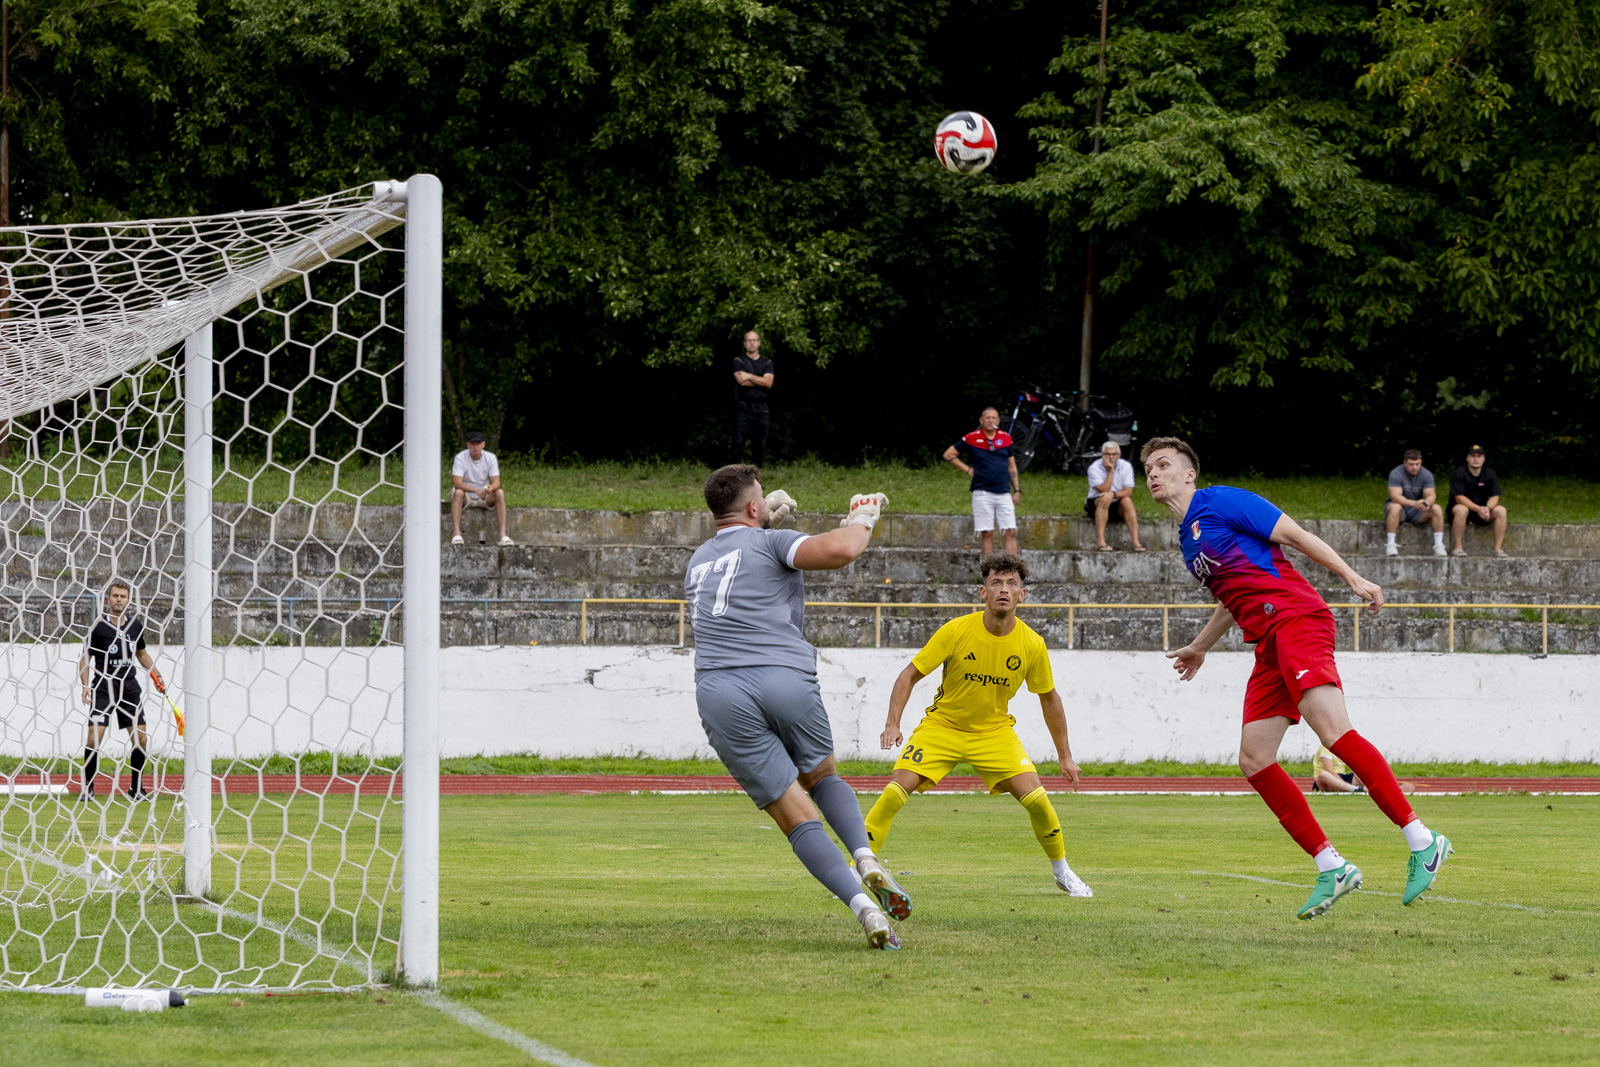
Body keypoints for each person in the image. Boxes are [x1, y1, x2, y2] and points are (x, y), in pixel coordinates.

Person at [1141, 436, 1451, 919]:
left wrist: (1352, 577)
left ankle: (1423, 839)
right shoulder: (1188, 539)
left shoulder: (1222, 501)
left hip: (1296, 619)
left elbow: (1297, 537)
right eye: (1148, 470)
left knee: (1334, 733)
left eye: (1163, 465)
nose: (1153, 474)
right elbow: (1233, 597)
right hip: (1267, 642)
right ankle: (1332, 866)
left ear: (1189, 474)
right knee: (1254, 758)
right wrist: (1200, 647)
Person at [684, 465, 911, 950]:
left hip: (718, 691)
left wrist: (763, 522)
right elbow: (842, 549)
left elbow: (747, 571)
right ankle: (865, 856)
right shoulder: (771, 541)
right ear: (753, 507)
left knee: (793, 815)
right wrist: (863, 517)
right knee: (823, 778)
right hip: (781, 675)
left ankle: (865, 909)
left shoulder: (698, 559)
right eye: (761, 497)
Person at [865, 553, 1093, 896]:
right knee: (896, 791)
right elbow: (909, 674)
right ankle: (857, 868)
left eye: (1012, 583)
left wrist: (1065, 757)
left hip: (994, 733)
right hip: (942, 727)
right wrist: (892, 724)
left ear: (1022, 595)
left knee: (1037, 800)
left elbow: (1049, 699)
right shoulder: (956, 630)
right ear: (983, 592)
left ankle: (1063, 872)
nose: (1004, 589)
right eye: (996, 582)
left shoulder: (1032, 644)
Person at [78, 580, 163, 801]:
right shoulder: (98, 627)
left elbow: (141, 654)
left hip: (129, 689)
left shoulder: (136, 626)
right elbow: (85, 658)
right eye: (115, 596)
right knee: (93, 738)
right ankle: (88, 788)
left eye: (123, 596)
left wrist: (157, 676)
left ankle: (136, 788)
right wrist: (85, 685)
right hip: (103, 688)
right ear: (108, 599)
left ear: (128, 600)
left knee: (141, 739)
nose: (119, 600)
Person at [943, 407, 1021, 556]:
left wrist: (1017, 490)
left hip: (1004, 491)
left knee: (1010, 531)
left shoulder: (1006, 438)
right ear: (981, 420)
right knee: (987, 533)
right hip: (982, 492)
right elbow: (949, 454)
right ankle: (989, 568)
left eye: (994, 418)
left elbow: (1012, 466)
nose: (991, 421)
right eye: (988, 418)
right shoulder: (972, 438)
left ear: (998, 421)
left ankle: (1012, 568)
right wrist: (967, 469)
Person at [450, 431, 512, 546]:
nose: (475, 447)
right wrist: (475, 490)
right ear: (468, 445)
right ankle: (457, 534)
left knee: (499, 493)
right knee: (458, 493)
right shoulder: (460, 458)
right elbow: (457, 483)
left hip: (484, 495)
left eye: (478, 443)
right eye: (473, 444)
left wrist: (490, 488)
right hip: (467, 496)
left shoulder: (491, 458)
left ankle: (503, 535)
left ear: (483, 444)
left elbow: (496, 481)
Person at [1384, 449, 1446, 557]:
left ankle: (1439, 545)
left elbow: (1431, 495)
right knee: (1395, 507)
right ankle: (1390, 544)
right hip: (1401, 510)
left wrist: (1426, 503)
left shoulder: (1426, 474)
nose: (1414, 467)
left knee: (1437, 508)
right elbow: (1395, 497)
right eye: (1411, 464)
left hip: (1417, 511)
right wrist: (1414, 503)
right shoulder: (1396, 473)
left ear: (1421, 462)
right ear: (1405, 463)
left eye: (1417, 464)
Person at [1449, 445, 1508, 558]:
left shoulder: (1489, 473)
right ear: (1467, 458)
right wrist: (1478, 508)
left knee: (1501, 510)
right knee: (1461, 509)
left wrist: (1488, 508)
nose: (1476, 459)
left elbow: (1495, 496)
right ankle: (1458, 547)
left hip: (1482, 511)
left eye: (1479, 456)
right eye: (1473, 456)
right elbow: (1459, 498)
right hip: (1462, 511)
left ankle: (1498, 549)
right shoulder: (1459, 473)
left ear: (1483, 458)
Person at [1085, 441, 1145, 552]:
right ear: (1102, 455)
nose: (1111, 457)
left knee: (1127, 500)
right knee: (1104, 499)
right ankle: (1101, 542)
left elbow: (1128, 492)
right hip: (1095, 503)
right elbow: (1104, 491)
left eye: (1114, 454)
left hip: (1116, 502)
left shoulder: (1126, 466)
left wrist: (1113, 494)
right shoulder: (1094, 468)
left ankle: (1136, 542)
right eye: (1108, 454)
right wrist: (1111, 471)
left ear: (1119, 455)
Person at [731, 330, 774, 465]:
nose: (752, 343)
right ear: (744, 343)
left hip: (762, 409)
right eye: (749, 340)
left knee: (760, 446)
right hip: (743, 408)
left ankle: (756, 477)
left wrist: (749, 376)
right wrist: (760, 380)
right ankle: (736, 476)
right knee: (738, 444)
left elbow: (768, 383)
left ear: (759, 343)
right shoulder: (738, 361)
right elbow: (741, 382)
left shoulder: (767, 362)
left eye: (754, 340)